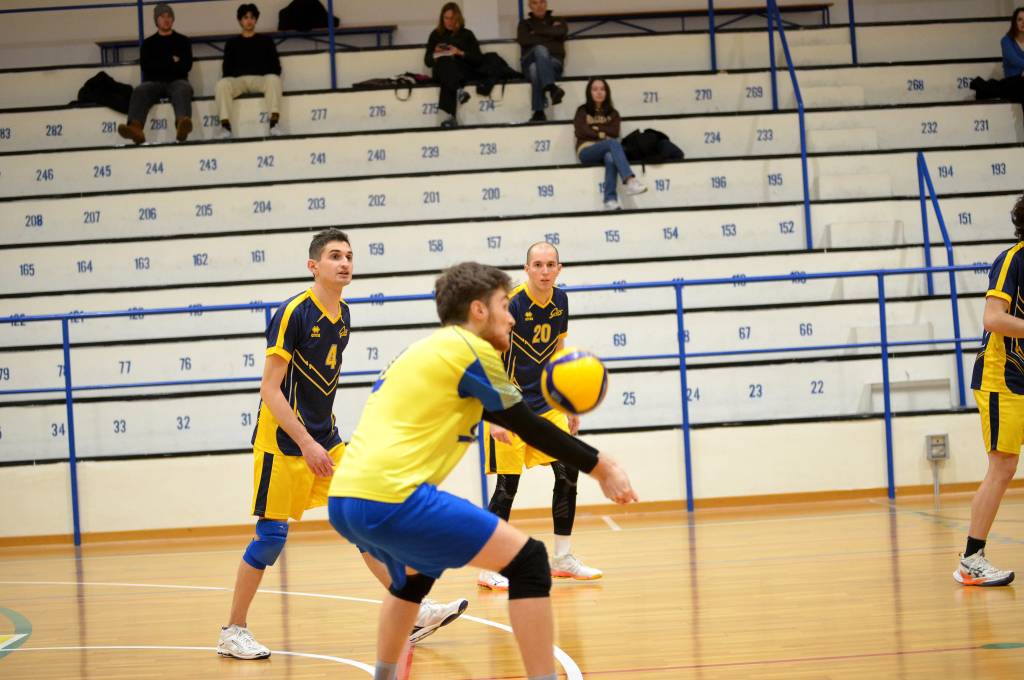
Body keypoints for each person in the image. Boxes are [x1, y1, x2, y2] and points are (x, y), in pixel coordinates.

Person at [327, 262, 637, 680]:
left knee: (413, 582)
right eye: (504, 306)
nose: (512, 318)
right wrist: (604, 467)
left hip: (346, 500)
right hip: (394, 497)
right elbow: (529, 425)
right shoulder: (471, 350)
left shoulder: (425, 350)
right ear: (478, 310)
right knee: (530, 561)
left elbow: (493, 414)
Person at [217, 228, 469, 660]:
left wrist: (322, 439)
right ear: (313, 266)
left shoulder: (344, 314)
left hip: (326, 438)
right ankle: (232, 630)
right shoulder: (292, 313)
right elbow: (270, 390)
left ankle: (414, 609)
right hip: (283, 441)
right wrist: (306, 443)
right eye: (335, 256)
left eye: (349, 256)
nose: (345, 263)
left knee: (366, 518)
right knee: (271, 536)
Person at [477, 243, 600, 591]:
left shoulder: (560, 300)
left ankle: (562, 559)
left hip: (546, 405)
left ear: (559, 268)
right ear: (526, 269)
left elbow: (558, 353)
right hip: (509, 407)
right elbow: (488, 357)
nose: (544, 271)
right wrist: (494, 415)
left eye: (550, 265)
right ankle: (489, 567)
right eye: (538, 265)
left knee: (568, 470)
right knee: (507, 487)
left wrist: (567, 403)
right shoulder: (512, 303)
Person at [957, 194, 1024, 588]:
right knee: (1003, 466)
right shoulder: (1012, 260)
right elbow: (993, 318)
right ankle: (971, 560)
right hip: (1003, 376)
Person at [117, 3, 194, 145]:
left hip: (177, 81)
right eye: (162, 16)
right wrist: (172, 61)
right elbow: (146, 67)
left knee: (183, 88)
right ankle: (135, 128)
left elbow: (186, 66)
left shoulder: (183, 41)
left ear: (173, 19)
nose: (166, 19)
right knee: (140, 90)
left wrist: (160, 63)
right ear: (156, 20)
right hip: (153, 83)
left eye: (169, 16)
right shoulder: (148, 44)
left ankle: (182, 125)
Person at [574, 77, 647, 211]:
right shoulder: (582, 110)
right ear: (589, 92)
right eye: (595, 89)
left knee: (610, 156)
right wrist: (602, 134)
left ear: (607, 92)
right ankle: (630, 180)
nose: (599, 92)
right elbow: (581, 131)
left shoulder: (613, 113)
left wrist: (594, 128)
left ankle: (610, 200)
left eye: (602, 89)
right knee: (612, 143)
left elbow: (614, 131)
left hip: (605, 149)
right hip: (586, 150)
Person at [215, 3, 284, 139]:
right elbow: (226, 70)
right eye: (245, 17)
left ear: (256, 20)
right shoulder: (232, 43)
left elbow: (276, 67)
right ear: (240, 20)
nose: (249, 21)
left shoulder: (266, 41)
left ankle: (274, 124)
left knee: (274, 80)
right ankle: (225, 127)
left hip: (260, 79)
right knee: (222, 84)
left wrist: (258, 70)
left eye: (252, 17)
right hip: (238, 81)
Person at [424, 2, 482, 128]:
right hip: (442, 71)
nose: (449, 22)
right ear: (442, 18)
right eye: (446, 18)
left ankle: (450, 117)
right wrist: (436, 53)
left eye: (452, 18)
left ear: (458, 18)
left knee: (449, 74)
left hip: (461, 71)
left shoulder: (467, 34)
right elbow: (427, 62)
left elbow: (478, 59)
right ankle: (459, 91)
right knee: (445, 61)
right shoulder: (436, 34)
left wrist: (459, 52)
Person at [516, 0, 567, 123]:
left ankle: (539, 112)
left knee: (535, 68)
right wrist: (550, 35)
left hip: (554, 64)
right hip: (529, 60)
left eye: (542, 2)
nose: (539, 6)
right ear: (530, 6)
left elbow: (561, 31)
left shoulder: (558, 20)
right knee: (540, 49)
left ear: (546, 3)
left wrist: (536, 32)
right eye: (535, 3)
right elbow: (524, 41)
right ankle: (552, 88)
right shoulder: (524, 24)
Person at [971, 7, 1024, 103]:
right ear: (1014, 22)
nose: (1023, 22)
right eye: (1020, 19)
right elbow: (1014, 59)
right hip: (1012, 82)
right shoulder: (1006, 41)